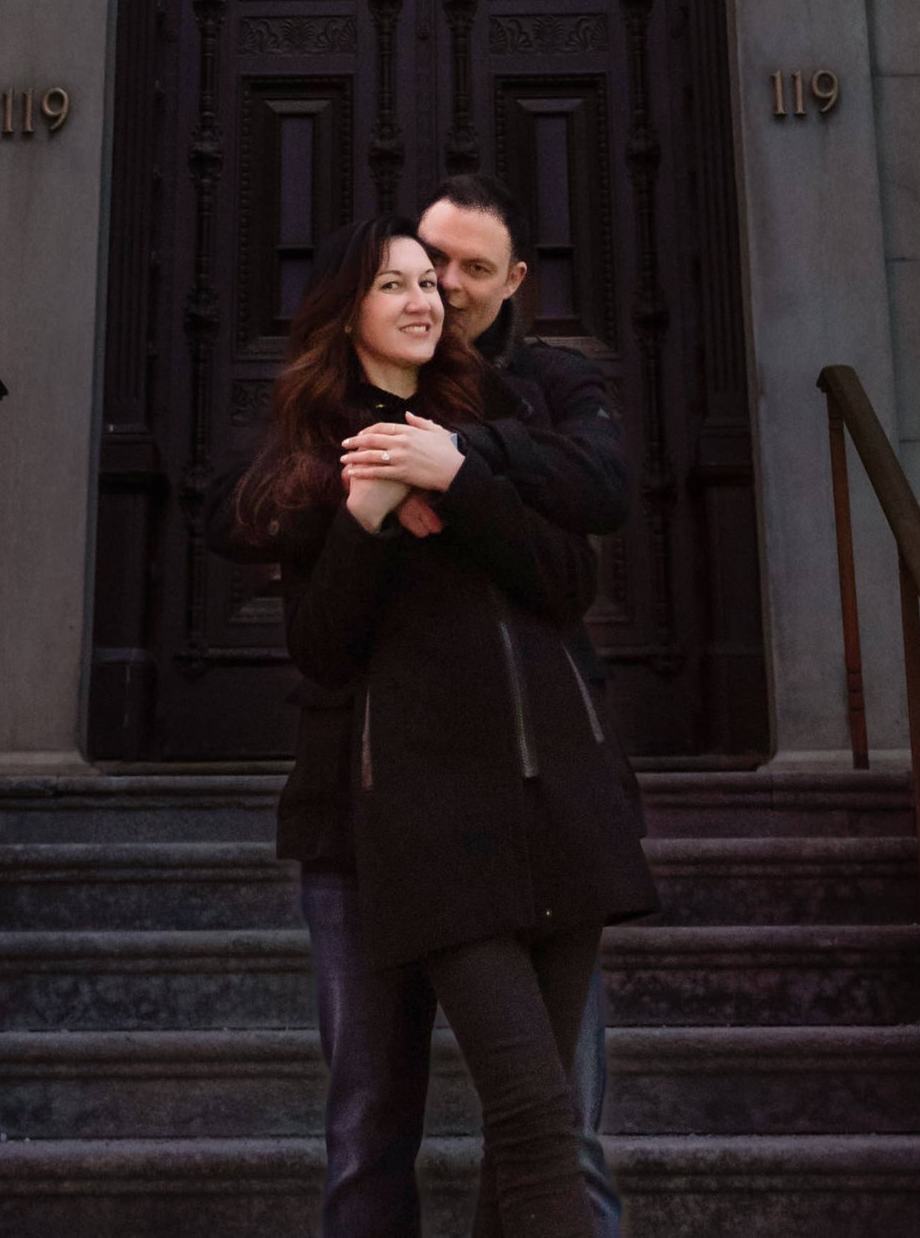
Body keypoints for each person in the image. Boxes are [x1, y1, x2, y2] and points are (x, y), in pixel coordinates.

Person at [222, 218, 651, 1238]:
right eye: (394, 282)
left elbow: (566, 576)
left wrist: (457, 477)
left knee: (536, 1132)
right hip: (420, 818)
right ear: (345, 310)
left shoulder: (497, 411)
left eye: (431, 281)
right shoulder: (320, 454)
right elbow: (323, 645)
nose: (425, 299)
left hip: (552, 806)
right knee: (475, 1118)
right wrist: (368, 510)